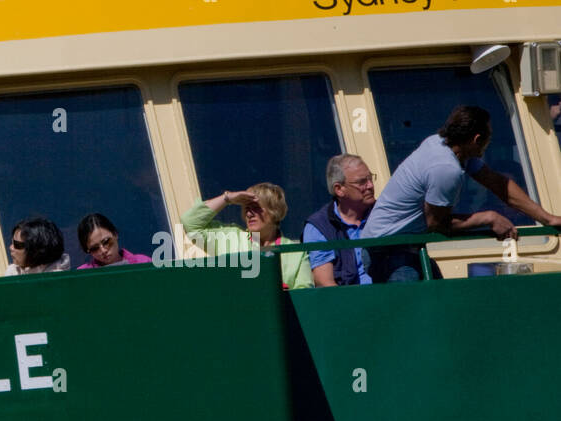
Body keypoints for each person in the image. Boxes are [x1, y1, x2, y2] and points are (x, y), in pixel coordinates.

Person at [360, 105, 561, 282]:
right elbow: (437, 225)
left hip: (405, 246)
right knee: (413, 314)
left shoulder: (443, 143)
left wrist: (547, 218)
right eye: (489, 137)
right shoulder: (446, 168)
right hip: (387, 249)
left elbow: (497, 183)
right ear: (476, 139)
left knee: (440, 303)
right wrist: (488, 217)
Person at [180, 184, 312, 290]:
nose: (249, 214)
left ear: (274, 211)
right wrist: (228, 199)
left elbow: (304, 294)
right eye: (246, 208)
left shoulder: (296, 252)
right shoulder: (230, 238)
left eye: (255, 208)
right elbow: (190, 223)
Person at [302, 155, 377, 286]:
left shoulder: (385, 214)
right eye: (362, 182)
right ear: (339, 189)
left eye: (370, 178)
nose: (370, 185)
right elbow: (325, 283)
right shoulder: (319, 226)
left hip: (390, 296)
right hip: (349, 301)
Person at [75, 213, 151, 269]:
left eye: (106, 242)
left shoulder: (144, 263)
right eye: (94, 248)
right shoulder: (83, 274)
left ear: (115, 234)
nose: (103, 250)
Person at [4, 217, 70, 275]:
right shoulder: (13, 272)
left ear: (37, 250)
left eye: (17, 244)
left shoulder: (59, 279)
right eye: (12, 242)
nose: (11, 247)